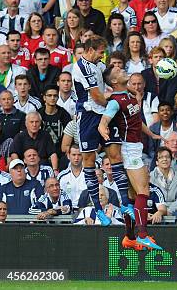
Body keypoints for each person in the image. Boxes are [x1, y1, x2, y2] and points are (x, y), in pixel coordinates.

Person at [99, 64, 162, 250]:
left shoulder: (130, 95)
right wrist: (103, 129)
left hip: (135, 147)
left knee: (133, 195)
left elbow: (137, 120)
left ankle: (129, 236)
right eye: (118, 71)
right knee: (144, 191)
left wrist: (151, 134)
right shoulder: (115, 101)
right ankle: (142, 235)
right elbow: (104, 120)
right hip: (128, 150)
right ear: (114, 81)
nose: (122, 69)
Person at [72, 36, 114, 226]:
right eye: (100, 52)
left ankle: (124, 200)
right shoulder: (82, 67)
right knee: (88, 160)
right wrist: (115, 104)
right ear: (90, 51)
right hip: (88, 116)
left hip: (103, 115)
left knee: (115, 153)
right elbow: (97, 96)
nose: (102, 55)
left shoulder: (98, 64)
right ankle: (97, 207)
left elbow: (108, 76)